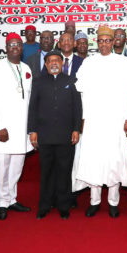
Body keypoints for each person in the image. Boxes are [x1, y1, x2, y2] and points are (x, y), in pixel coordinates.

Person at [73, 25, 127, 217]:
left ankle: (113, 201)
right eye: (100, 41)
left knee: (114, 159)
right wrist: (82, 118)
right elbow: (81, 93)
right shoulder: (89, 63)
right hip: (94, 120)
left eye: (107, 40)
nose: (104, 44)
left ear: (114, 42)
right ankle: (94, 201)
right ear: (97, 42)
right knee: (95, 159)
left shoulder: (125, 63)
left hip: (116, 120)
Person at [28, 49, 82, 219]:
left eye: (57, 60)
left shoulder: (72, 81)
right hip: (44, 135)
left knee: (64, 172)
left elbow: (77, 108)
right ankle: (44, 205)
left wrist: (76, 129)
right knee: (46, 172)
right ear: (45, 64)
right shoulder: (38, 82)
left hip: (66, 135)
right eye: (50, 60)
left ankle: (63, 205)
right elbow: (33, 108)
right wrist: (33, 130)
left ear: (62, 63)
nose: (53, 63)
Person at [0, 33, 33, 220]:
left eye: (18, 45)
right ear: (6, 48)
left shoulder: (26, 68)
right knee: (2, 166)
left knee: (17, 166)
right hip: (4, 127)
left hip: (22, 127)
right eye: (11, 44)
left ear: (22, 48)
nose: (15, 47)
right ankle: (1, 202)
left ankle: (12, 198)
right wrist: (0, 126)